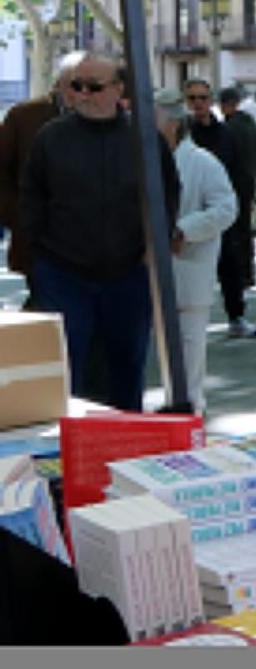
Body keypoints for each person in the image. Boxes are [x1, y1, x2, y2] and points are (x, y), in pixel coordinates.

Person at [18, 51, 180, 411]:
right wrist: (38, 257)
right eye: (76, 86)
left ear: (118, 89)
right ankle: (66, 441)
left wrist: (156, 245)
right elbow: (31, 199)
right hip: (64, 272)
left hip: (129, 271)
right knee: (67, 365)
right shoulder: (51, 137)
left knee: (128, 362)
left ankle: (127, 439)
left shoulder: (145, 138)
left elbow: (168, 196)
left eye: (94, 86)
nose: (84, 94)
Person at [153, 88, 238, 413]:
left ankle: (189, 414)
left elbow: (226, 208)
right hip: (147, 274)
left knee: (189, 354)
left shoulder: (202, 162)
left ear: (173, 122)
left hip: (188, 271)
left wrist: (184, 230)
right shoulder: (144, 161)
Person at [0, 52, 81, 305]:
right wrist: (21, 217)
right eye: (77, 85)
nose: (85, 93)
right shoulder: (24, 116)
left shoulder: (107, 116)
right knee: (48, 304)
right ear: (59, 83)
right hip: (39, 239)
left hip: (95, 241)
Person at [214, 85, 256, 336]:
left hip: (231, 187)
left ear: (226, 104)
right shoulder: (253, 128)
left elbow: (225, 159)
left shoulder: (227, 129)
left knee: (232, 237)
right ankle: (247, 273)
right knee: (245, 232)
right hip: (248, 185)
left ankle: (240, 275)